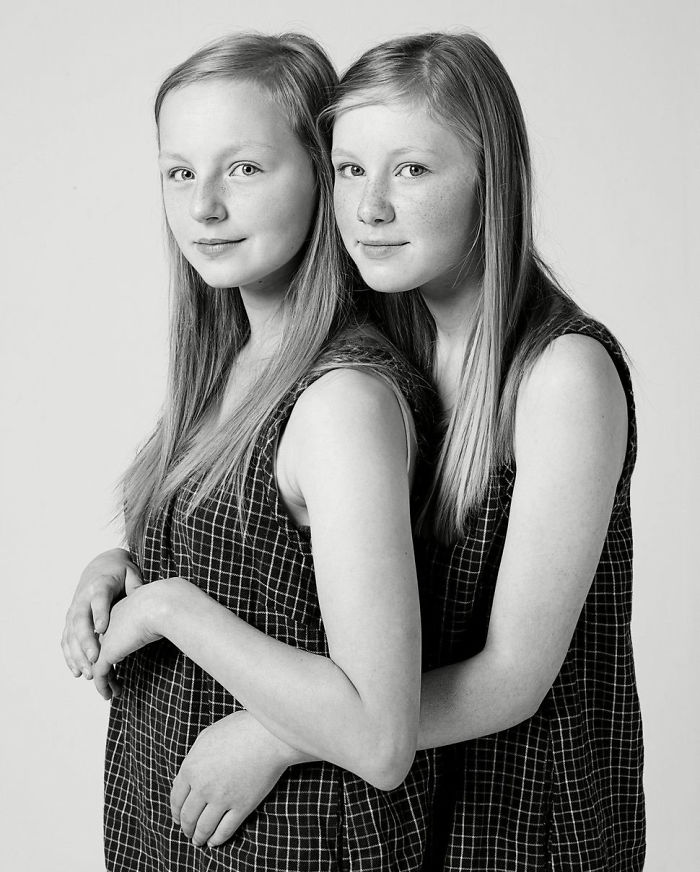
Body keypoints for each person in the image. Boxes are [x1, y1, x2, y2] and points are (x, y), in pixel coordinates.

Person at [66, 29, 645, 871]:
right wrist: (130, 565)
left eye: (411, 169)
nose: (370, 207)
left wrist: (280, 732)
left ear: (492, 179)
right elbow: (286, 570)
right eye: (349, 169)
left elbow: (512, 678)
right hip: (417, 798)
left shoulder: (562, 374)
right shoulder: (387, 328)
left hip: (520, 808)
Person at [61, 32, 436, 870]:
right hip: (177, 834)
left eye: (244, 168)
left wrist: (169, 609)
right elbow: (263, 574)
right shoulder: (234, 361)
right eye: (179, 172)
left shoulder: (340, 403)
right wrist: (123, 570)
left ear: (323, 175)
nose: (203, 207)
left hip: (293, 846)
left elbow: (380, 738)